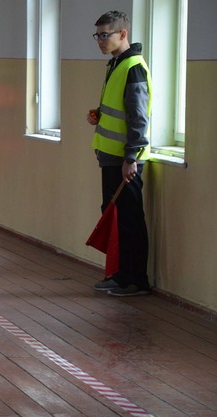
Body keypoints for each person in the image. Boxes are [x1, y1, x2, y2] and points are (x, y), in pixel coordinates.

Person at [87, 10, 152, 297]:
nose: (100, 41)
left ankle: (136, 281)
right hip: (110, 157)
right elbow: (120, 111)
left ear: (123, 34)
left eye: (105, 35)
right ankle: (119, 274)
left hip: (125, 161)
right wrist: (98, 115)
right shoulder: (116, 64)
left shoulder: (133, 67)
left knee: (130, 220)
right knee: (115, 217)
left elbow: (139, 118)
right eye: (97, 35)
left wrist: (131, 158)